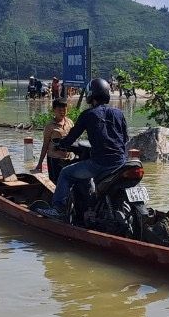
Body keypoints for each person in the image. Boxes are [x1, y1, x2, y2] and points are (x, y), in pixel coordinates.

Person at [34, 78, 127, 219]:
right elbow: (125, 139)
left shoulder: (88, 114)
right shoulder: (119, 113)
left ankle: (59, 209)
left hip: (100, 163)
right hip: (121, 163)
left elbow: (71, 137)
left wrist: (62, 144)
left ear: (90, 95)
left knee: (65, 173)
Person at [32, 96, 75, 182]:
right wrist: (40, 163)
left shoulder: (70, 122)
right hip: (54, 159)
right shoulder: (49, 126)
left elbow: (74, 141)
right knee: (55, 182)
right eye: (60, 110)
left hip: (68, 158)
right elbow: (45, 145)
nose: (62, 112)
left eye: (64, 110)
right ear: (54, 110)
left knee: (68, 182)